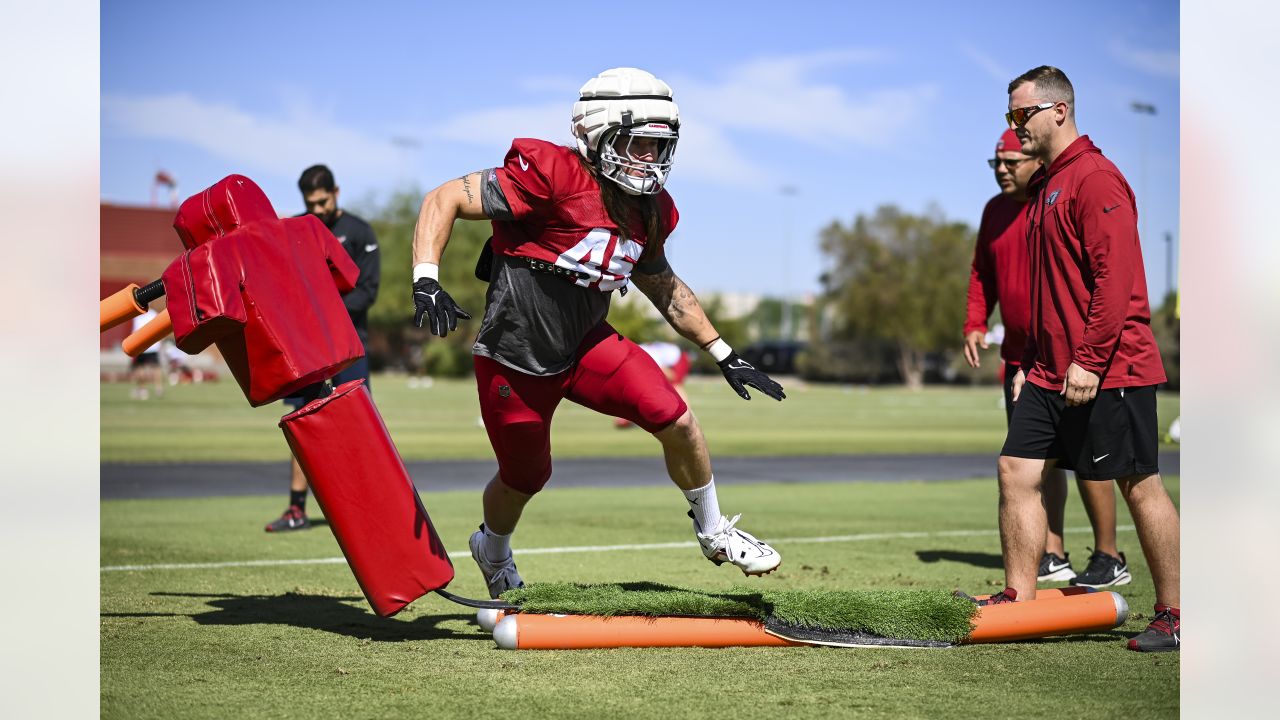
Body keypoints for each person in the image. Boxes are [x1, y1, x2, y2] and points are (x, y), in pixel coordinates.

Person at [410, 67, 786, 598]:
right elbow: (443, 197)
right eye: (640, 145)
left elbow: (662, 286)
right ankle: (492, 549)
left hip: (587, 344)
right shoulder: (550, 175)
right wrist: (427, 277)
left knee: (677, 419)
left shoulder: (650, 210)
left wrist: (724, 352)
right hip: (515, 357)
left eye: (660, 147)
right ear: (599, 135)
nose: (651, 160)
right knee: (525, 477)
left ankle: (714, 530)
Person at [986, 66, 1180, 653]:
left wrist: (1091, 359)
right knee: (1015, 471)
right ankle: (1018, 600)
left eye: (1022, 114)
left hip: (1110, 367)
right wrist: (1027, 360)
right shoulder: (1046, 183)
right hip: (1047, 369)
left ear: (1058, 111)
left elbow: (1114, 281)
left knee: (1138, 484)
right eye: (1010, 116)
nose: (1014, 126)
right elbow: (1050, 288)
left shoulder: (1095, 179)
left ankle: (1176, 612)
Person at [964, 130, 1130, 589]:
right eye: (995, 162)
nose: (1001, 169)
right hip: (1024, 357)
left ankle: (1108, 554)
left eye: (1010, 161)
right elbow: (982, 271)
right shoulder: (995, 212)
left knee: (1089, 458)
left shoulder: (1055, 201)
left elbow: (1107, 276)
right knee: (1036, 460)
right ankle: (1051, 552)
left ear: (1033, 161)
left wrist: (1089, 355)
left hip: (1074, 357)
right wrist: (975, 321)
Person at [265, 164, 381, 532]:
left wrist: (318, 304)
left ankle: (366, 508)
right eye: (309, 203)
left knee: (357, 426)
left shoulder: (360, 232)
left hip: (349, 347)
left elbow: (367, 293)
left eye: (322, 201)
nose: (316, 210)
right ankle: (297, 509)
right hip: (306, 351)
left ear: (337, 191)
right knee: (305, 424)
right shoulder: (294, 230)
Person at [615, 341, 691, 428]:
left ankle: (686, 416)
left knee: (675, 384)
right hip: (664, 359)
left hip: (679, 358)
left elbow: (670, 375)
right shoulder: (632, 357)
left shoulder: (646, 354)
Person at [128, 307, 164, 400]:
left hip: (142, 346)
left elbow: (134, 332)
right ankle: (158, 388)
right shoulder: (154, 314)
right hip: (152, 346)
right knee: (155, 367)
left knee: (140, 368)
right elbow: (160, 330)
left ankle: (143, 390)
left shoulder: (138, 316)